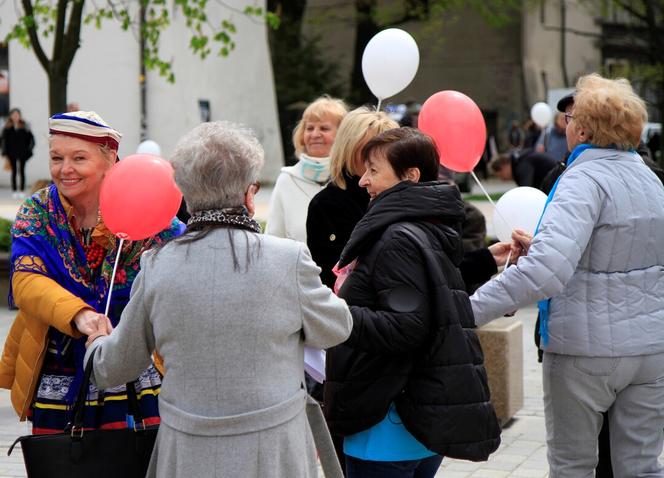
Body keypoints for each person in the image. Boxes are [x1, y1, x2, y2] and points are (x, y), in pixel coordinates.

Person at [84, 121, 353, 477]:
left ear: (184, 191)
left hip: (188, 448)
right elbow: (336, 328)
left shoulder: (157, 265)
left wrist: (97, 340)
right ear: (248, 190)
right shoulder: (287, 258)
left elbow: (112, 368)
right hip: (273, 447)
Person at [470, 73, 664, 477]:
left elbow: (545, 271)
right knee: (642, 468)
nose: (567, 124)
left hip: (585, 354)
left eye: (572, 116)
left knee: (572, 468)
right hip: (650, 350)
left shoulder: (582, 180)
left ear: (585, 127)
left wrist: (465, 311)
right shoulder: (650, 179)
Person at [325, 128, 501, 477]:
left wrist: (333, 314)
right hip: (410, 414)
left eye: (374, 170)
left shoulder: (397, 236)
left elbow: (406, 326)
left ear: (410, 176)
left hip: (388, 419)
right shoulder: (424, 226)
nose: (363, 181)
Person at [0, 111, 183, 433]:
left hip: (133, 364)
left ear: (110, 160)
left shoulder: (143, 206)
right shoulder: (39, 209)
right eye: (57, 158)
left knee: (132, 459)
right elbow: (26, 280)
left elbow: (182, 269)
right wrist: (80, 314)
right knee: (61, 462)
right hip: (58, 365)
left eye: (78, 158)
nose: (64, 169)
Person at [307, 107, 399, 289]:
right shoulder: (327, 204)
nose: (377, 158)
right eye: (368, 150)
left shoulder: (404, 194)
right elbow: (327, 274)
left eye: (387, 151)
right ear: (349, 148)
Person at [266, 95, 348, 242]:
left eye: (324, 128)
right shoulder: (287, 179)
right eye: (309, 128)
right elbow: (273, 239)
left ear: (342, 135)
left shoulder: (353, 178)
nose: (315, 134)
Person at [1, 108, 35, 198]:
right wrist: (4, 152)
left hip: (22, 152)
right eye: (13, 115)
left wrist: (29, 150)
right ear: (11, 116)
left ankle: (22, 190)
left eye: (17, 115)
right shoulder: (7, 127)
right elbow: (3, 140)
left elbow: (31, 139)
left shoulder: (24, 125)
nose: (15, 116)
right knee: (14, 171)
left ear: (19, 116)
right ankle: (14, 191)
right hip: (11, 153)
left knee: (22, 171)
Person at [489, 148, 559, 191]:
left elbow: (525, 191)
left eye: (500, 175)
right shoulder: (520, 160)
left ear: (504, 166)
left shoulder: (522, 166)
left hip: (557, 183)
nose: (502, 179)